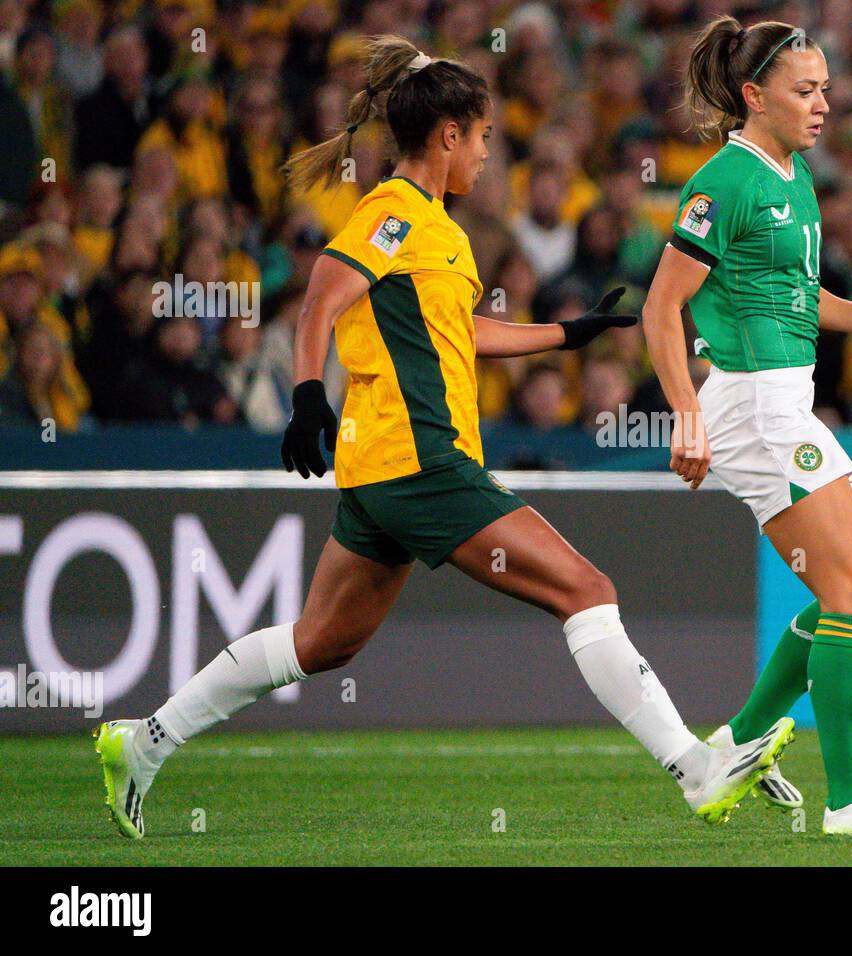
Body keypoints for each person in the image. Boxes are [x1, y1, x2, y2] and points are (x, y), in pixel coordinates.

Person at [94, 36, 792, 840]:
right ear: (450, 133)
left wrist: (566, 335)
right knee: (587, 590)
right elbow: (321, 299)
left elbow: (458, 333)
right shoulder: (391, 212)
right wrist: (305, 396)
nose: (491, 155)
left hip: (381, 469)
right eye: (486, 136)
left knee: (322, 643)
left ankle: (142, 742)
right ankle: (694, 769)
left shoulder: (438, 230)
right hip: (422, 458)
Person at [642, 17, 852, 836]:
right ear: (754, 95)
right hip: (751, 408)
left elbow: (795, 294)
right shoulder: (723, 182)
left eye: (825, 90)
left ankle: (733, 748)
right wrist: (688, 417)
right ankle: (851, 802)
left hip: (790, 405)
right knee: (847, 588)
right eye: (805, 91)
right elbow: (661, 306)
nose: (822, 105)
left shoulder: (795, 172)